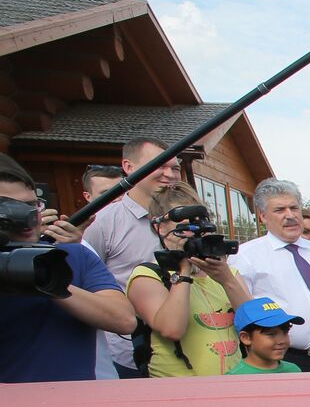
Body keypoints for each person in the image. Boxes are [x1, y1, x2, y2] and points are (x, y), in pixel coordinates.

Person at [0, 155, 136, 382]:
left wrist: (49, 280)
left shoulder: (73, 254)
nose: (27, 216)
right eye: (9, 208)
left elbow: (124, 320)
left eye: (31, 205)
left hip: (76, 406)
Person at [126, 183, 252, 377]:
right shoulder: (148, 276)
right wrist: (183, 270)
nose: (193, 233)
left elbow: (254, 325)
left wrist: (226, 279)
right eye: (184, 227)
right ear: (159, 227)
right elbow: (171, 329)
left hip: (232, 383)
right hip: (178, 388)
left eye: (200, 224)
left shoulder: (227, 273)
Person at [83, 136, 184, 377]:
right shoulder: (103, 222)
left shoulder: (188, 219)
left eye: (175, 168)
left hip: (187, 352)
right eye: (160, 165)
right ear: (129, 167)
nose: (169, 174)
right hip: (128, 356)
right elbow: (87, 282)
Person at [230, 178, 310, 372]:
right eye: (279, 210)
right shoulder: (245, 258)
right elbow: (243, 313)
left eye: (294, 208)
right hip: (280, 361)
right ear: (262, 216)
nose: (290, 216)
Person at [230, 297, 304, 375]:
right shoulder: (234, 378)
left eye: (285, 332)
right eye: (271, 334)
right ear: (246, 338)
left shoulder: (293, 370)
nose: (281, 341)